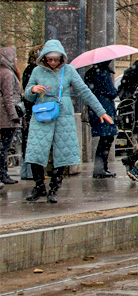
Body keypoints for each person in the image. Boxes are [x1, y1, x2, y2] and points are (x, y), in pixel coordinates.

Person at [23, 40, 111, 203]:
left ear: (61, 58)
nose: (53, 63)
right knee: (36, 151)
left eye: (56, 59)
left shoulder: (68, 71)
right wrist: (33, 90)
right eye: (49, 59)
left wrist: (101, 111)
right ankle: (39, 186)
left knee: (62, 152)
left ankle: (54, 188)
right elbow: (27, 94)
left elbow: (85, 91)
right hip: (42, 113)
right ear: (44, 58)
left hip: (63, 113)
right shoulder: (37, 71)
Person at [83, 60, 119, 178]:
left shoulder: (90, 73)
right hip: (105, 109)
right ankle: (100, 168)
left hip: (95, 109)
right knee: (107, 139)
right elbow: (111, 92)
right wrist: (116, 91)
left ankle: (100, 167)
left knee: (104, 139)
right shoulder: (103, 73)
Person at [0, 47, 21, 185]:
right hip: (6, 116)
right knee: (5, 147)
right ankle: (3, 174)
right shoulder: (7, 73)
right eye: (14, 56)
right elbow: (8, 96)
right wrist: (14, 115)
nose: (15, 59)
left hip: (4, 114)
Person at [19, 46, 39, 180]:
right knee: (31, 141)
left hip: (29, 109)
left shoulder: (28, 70)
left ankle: (27, 171)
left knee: (28, 141)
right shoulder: (35, 71)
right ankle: (30, 171)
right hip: (33, 110)